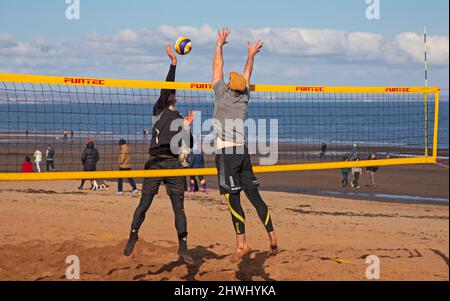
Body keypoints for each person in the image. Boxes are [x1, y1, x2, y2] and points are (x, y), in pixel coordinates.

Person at [124, 44, 195, 264]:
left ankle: (183, 247)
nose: (171, 94)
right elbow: (167, 86)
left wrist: (187, 128)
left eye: (173, 94)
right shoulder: (159, 110)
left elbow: (188, 145)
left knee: (179, 209)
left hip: (173, 164)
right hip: (154, 163)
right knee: (144, 204)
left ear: (176, 98)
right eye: (169, 93)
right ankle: (133, 235)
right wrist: (173, 63)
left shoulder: (181, 117)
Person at [212, 28, 278, 263]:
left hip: (227, 153)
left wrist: (219, 45)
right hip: (243, 151)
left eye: (229, 80)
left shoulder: (222, 94)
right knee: (255, 197)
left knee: (233, 200)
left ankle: (242, 244)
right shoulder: (244, 96)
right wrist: (251, 55)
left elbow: (217, 68)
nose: (227, 80)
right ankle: (272, 236)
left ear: (229, 86)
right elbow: (246, 74)